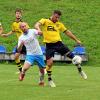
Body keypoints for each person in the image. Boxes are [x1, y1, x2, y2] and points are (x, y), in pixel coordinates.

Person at [35, 10, 87, 87]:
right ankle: (50, 80)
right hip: (49, 45)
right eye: (56, 17)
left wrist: (76, 40)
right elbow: (37, 24)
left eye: (58, 18)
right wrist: (38, 29)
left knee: (75, 59)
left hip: (59, 44)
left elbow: (67, 32)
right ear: (52, 15)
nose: (57, 19)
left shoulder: (59, 24)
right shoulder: (45, 20)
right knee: (49, 63)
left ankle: (80, 70)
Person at [1, 8, 29, 73]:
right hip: (20, 43)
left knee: (33, 57)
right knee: (16, 57)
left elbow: (28, 31)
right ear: (15, 15)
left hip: (26, 42)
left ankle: (43, 68)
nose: (18, 15)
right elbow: (13, 31)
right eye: (17, 13)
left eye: (19, 14)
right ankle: (21, 70)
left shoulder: (23, 23)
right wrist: (7, 35)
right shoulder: (14, 23)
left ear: (21, 15)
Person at [18, 22, 46, 86]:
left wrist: (40, 31)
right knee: (25, 68)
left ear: (27, 26)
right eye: (22, 27)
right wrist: (21, 44)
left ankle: (41, 81)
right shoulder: (21, 38)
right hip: (30, 54)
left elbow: (40, 33)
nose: (24, 27)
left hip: (39, 53)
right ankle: (22, 74)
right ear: (20, 28)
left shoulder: (33, 31)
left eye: (25, 26)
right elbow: (19, 50)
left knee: (42, 70)